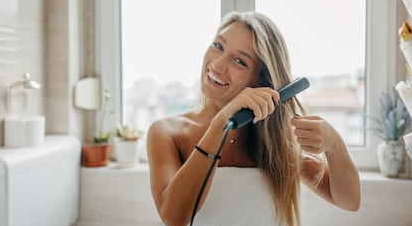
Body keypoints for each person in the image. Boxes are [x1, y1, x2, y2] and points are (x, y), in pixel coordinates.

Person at [147, 11, 361, 226]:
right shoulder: (167, 133)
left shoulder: (277, 142)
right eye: (218, 46)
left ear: (261, 82)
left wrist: (335, 145)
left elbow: (349, 201)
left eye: (239, 61)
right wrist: (220, 124)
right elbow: (175, 218)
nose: (218, 65)